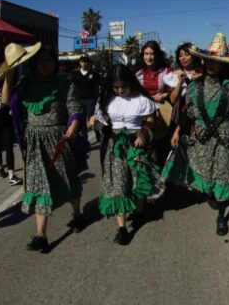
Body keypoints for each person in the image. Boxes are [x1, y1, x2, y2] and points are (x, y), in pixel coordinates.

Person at [1, 43, 86, 252]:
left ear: (54, 62)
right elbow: (5, 101)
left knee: (69, 180)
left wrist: (74, 124)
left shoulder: (65, 82)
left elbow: (74, 107)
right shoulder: (25, 82)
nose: (44, 64)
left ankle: (77, 215)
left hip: (58, 139)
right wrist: (9, 75)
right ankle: (41, 235)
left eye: (47, 59)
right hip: (34, 143)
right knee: (40, 186)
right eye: (39, 60)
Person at [163, 34, 229, 236]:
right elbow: (188, 113)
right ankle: (211, 195)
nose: (211, 66)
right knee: (207, 174)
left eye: (216, 62)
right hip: (202, 137)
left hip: (225, 138)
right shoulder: (195, 84)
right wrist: (177, 130)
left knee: (222, 174)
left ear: (222, 65)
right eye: (208, 61)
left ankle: (221, 217)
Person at [92, 64, 161, 245]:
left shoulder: (142, 99)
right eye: (116, 87)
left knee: (137, 182)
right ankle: (122, 229)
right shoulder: (106, 100)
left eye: (123, 86)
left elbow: (153, 122)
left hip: (136, 146)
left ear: (130, 82)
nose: (120, 90)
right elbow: (102, 124)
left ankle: (139, 213)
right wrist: (95, 123)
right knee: (118, 186)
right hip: (115, 148)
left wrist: (144, 135)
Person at [136, 40, 175, 165]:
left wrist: (164, 94)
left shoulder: (166, 71)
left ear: (157, 54)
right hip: (140, 114)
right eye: (146, 54)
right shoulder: (136, 72)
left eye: (152, 54)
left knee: (160, 149)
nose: (149, 57)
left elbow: (174, 91)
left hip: (162, 115)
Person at [70, 55, 100, 142]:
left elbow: (97, 87)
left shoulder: (93, 74)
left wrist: (97, 98)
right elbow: (72, 87)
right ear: (80, 63)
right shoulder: (75, 74)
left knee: (91, 119)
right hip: (79, 100)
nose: (84, 64)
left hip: (90, 100)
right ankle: (84, 139)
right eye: (82, 62)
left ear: (89, 63)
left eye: (86, 62)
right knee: (82, 120)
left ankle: (97, 132)